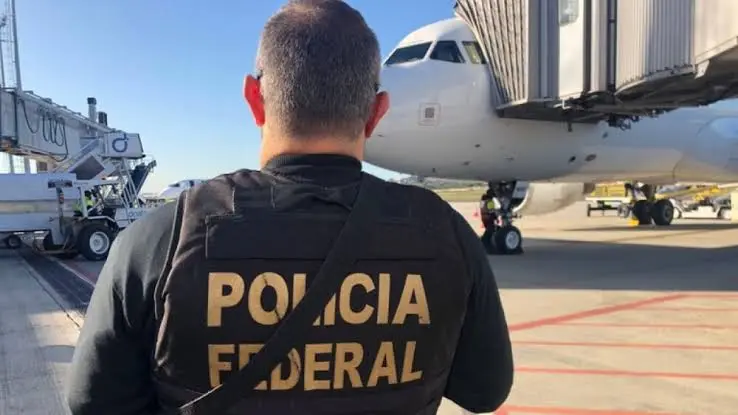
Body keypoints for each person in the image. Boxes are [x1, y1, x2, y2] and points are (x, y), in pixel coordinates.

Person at [65, 1, 513, 414]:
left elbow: (92, 402)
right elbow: (484, 391)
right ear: (377, 112)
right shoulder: (446, 234)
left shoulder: (160, 240)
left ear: (254, 99)